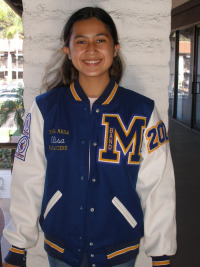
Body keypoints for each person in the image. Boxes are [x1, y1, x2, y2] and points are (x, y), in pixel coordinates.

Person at [3, 6, 176, 267]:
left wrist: (161, 254)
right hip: (61, 249)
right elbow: (28, 179)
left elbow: (158, 187)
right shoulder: (45, 109)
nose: (91, 49)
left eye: (100, 40)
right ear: (68, 51)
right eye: (81, 41)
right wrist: (17, 248)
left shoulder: (143, 112)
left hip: (119, 251)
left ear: (115, 48)